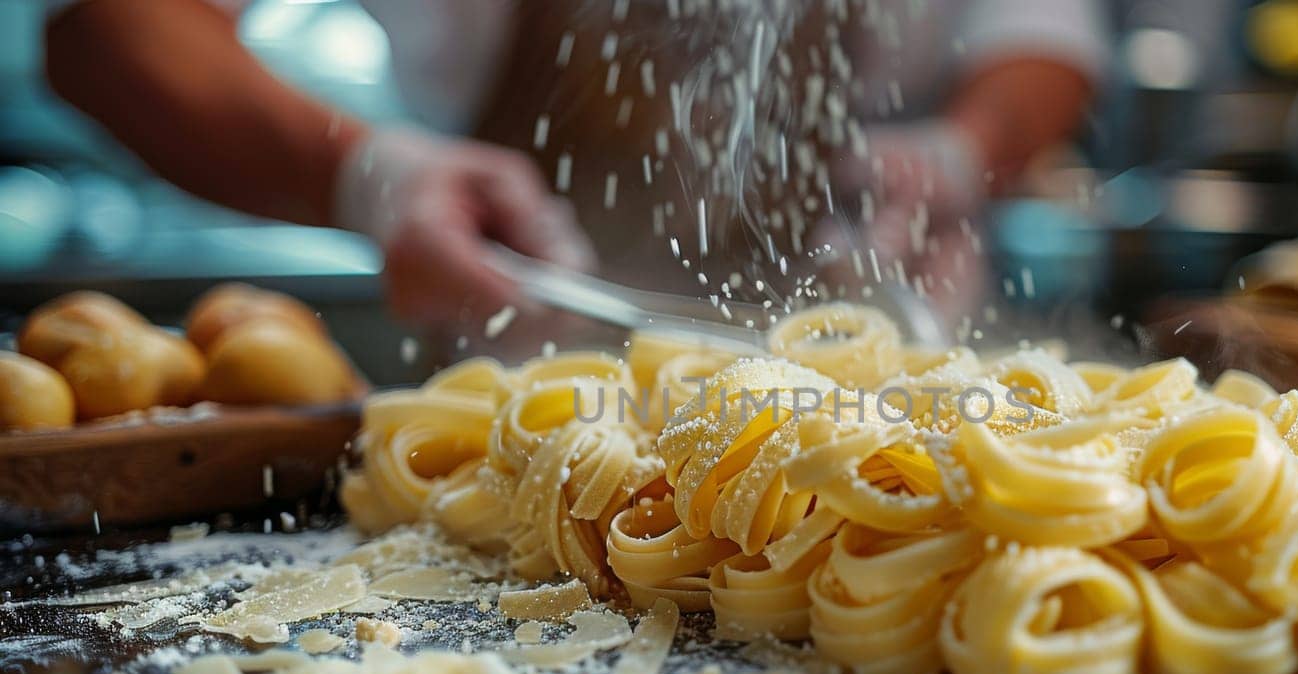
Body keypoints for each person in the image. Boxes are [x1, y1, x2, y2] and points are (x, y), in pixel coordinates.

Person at [44, 0, 1105, 342]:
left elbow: (1044, 35)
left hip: (879, 356)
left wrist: (958, 154)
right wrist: (370, 178)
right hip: (519, 398)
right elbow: (108, 31)